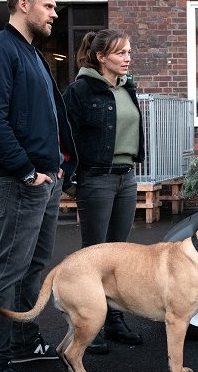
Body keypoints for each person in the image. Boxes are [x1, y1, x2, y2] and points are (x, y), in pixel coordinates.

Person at [0, 0, 77, 372]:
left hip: (45, 180)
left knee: (35, 267)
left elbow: (49, 118)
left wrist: (61, 166)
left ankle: (23, 339)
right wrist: (26, 170)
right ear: (23, 5)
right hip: (23, 182)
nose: (55, 13)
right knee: (6, 272)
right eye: (49, 6)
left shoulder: (34, 55)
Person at [62, 29, 145, 354]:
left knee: (119, 256)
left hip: (126, 178)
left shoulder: (127, 88)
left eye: (128, 51)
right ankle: (88, 325)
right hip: (96, 179)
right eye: (121, 53)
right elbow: (64, 137)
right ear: (101, 57)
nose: (127, 58)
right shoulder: (80, 91)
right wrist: (69, 180)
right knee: (93, 256)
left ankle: (113, 322)